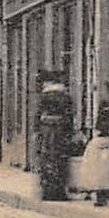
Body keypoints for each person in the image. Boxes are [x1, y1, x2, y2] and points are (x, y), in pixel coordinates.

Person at [35, 71, 73, 201]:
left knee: (47, 160)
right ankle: (59, 191)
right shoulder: (66, 97)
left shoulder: (44, 97)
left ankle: (48, 191)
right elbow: (69, 117)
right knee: (60, 160)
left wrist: (38, 130)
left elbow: (38, 116)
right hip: (61, 132)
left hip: (47, 131)